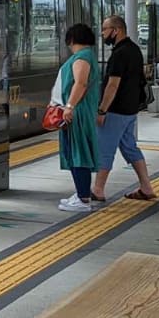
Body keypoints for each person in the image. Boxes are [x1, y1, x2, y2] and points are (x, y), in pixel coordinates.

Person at [92, 15, 158, 202]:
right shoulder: (135, 50)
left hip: (116, 110)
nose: (103, 34)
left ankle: (98, 190)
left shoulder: (119, 54)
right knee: (130, 147)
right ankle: (146, 187)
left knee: (105, 148)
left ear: (116, 30)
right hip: (130, 110)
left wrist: (102, 110)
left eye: (105, 30)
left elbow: (113, 85)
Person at [57, 23, 100, 212]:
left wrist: (69, 106)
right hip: (81, 110)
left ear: (72, 39)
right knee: (74, 151)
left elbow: (80, 83)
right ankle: (81, 193)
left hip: (78, 113)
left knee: (78, 153)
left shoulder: (82, 58)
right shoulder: (88, 55)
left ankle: (83, 198)